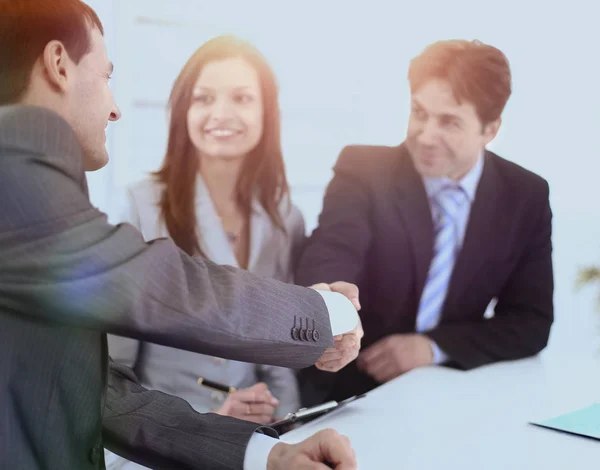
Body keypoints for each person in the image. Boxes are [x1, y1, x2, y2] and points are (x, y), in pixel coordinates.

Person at [0, 1, 362, 469]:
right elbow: (165, 287)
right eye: (106, 77)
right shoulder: (15, 172)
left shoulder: (281, 214)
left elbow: (96, 391)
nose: (114, 110)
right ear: (58, 66)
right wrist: (328, 313)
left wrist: (265, 453)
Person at [295, 39, 554, 405]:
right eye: (419, 112)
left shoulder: (525, 196)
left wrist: (432, 348)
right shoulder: (363, 170)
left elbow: (531, 322)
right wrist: (326, 308)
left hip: (452, 394)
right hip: (347, 388)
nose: (426, 135)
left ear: (490, 129)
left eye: (449, 122)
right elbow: (335, 247)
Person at [106, 36, 306, 469]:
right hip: (161, 441)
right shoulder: (141, 207)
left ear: (265, 113)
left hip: (259, 441)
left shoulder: (284, 218)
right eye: (204, 98)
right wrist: (211, 424)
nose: (222, 114)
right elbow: (110, 373)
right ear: (183, 111)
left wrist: (287, 423)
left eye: (242, 98)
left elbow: (280, 358)